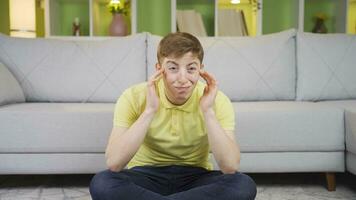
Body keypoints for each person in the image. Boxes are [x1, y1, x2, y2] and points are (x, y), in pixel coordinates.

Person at [89, 32, 257, 200]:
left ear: (201, 70)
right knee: (102, 182)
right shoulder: (133, 96)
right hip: (145, 175)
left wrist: (208, 111)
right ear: (159, 70)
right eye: (173, 68)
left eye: (191, 68)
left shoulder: (217, 100)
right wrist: (149, 111)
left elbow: (230, 167)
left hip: (195, 177)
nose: (183, 79)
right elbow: (114, 162)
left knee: (243, 185)